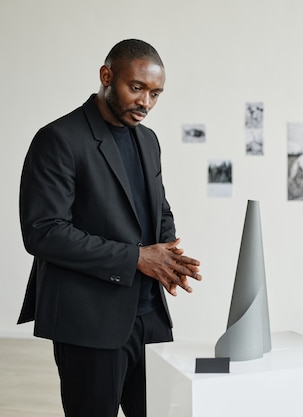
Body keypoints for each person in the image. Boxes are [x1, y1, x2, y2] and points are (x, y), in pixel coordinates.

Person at [17, 39, 202, 417]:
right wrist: (137, 258)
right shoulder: (58, 139)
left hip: (151, 321)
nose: (146, 102)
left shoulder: (148, 141)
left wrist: (169, 256)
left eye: (155, 93)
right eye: (136, 88)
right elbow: (43, 231)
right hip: (88, 322)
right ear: (106, 76)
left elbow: (158, 208)